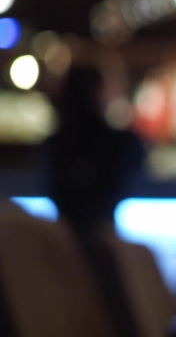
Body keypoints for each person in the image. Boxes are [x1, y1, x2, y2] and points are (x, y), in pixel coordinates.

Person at [43, 64, 147, 337]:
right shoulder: (123, 143)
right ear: (99, 91)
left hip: (59, 254)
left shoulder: (53, 144)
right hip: (100, 258)